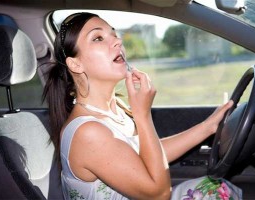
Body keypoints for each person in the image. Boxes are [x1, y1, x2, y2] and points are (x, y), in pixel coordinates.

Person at [43, 12, 242, 200]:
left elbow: (146, 155)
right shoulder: (88, 132)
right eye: (98, 38)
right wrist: (142, 114)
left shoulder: (114, 108)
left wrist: (208, 126)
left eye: (114, 34)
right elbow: (159, 194)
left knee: (217, 187)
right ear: (75, 65)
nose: (118, 41)